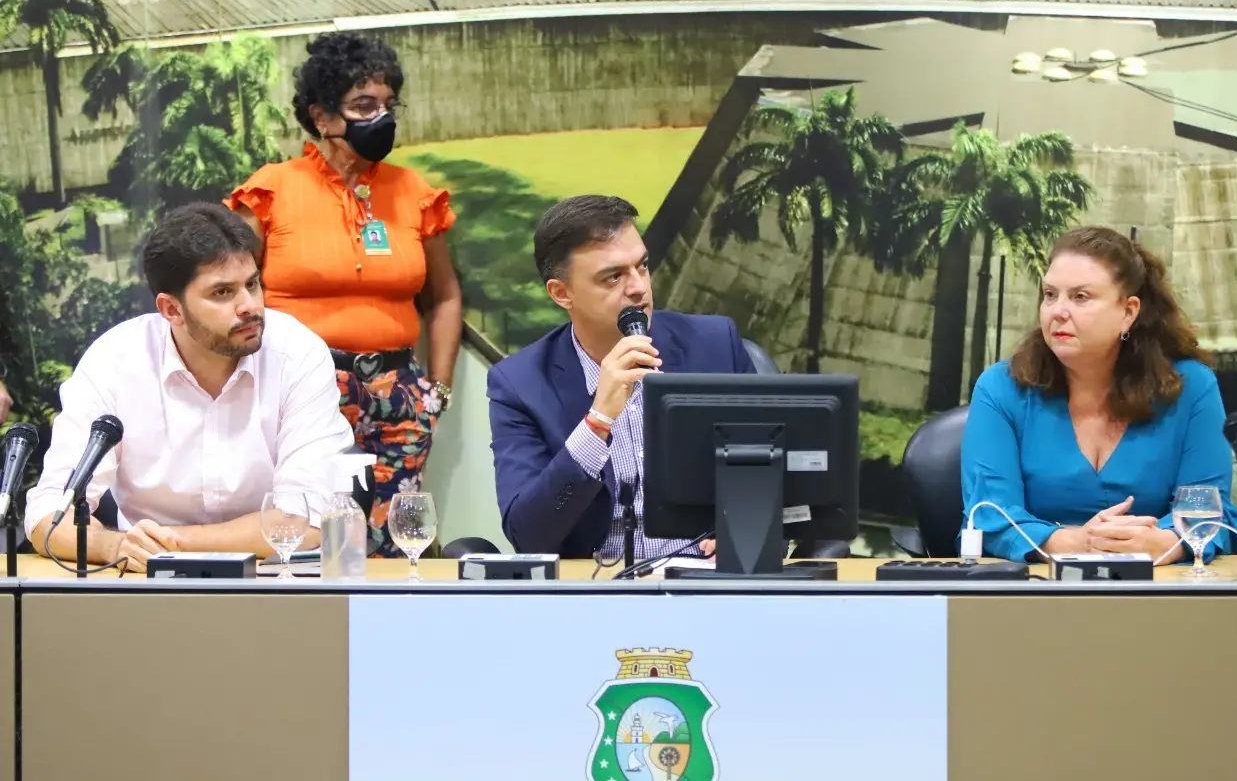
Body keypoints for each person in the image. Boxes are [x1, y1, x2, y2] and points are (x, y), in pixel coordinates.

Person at [226, 32, 463, 557]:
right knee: (309, 533)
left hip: (399, 396)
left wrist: (437, 391)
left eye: (388, 104)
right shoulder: (272, 190)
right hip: (301, 389)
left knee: (394, 542)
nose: (382, 117)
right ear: (323, 116)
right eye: (364, 105)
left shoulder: (413, 192)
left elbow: (445, 297)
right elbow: (230, 290)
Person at [25, 203, 355, 572]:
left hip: (276, 580)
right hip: (145, 584)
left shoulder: (297, 354)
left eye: (252, 284)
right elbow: (48, 514)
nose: (249, 306)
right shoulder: (115, 360)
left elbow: (303, 523)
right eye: (223, 292)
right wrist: (113, 545)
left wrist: (160, 545)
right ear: (171, 310)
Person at [487, 194, 757, 559]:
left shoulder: (715, 345)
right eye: (613, 276)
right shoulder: (520, 384)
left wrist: (747, 527)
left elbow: (776, 472)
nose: (638, 288)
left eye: (642, 266)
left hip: (706, 576)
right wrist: (597, 422)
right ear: (562, 293)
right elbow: (529, 536)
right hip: (598, 583)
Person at [961, 226, 1237, 564]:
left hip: (1159, 584)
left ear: (1128, 312)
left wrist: (1163, 542)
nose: (1058, 311)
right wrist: (1073, 543)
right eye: (1050, 294)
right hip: (1038, 586)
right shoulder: (1000, 388)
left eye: (1080, 297)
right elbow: (990, 516)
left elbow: (1210, 511)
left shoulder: (1191, 386)